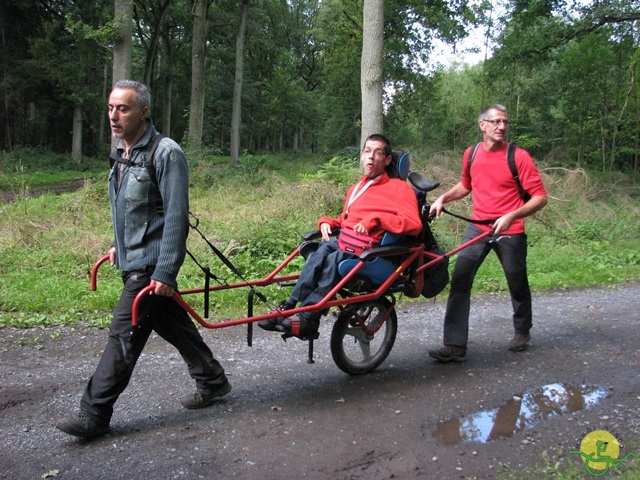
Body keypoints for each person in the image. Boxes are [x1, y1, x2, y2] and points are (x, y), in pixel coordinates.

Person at [56, 80, 230, 439]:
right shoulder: (124, 152)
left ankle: (93, 413)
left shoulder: (165, 153)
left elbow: (176, 217)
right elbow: (131, 210)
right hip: (134, 260)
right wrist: (118, 244)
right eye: (110, 108)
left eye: (123, 108)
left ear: (144, 112)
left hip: (150, 270)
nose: (114, 116)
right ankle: (212, 380)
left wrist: (166, 271)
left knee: (123, 337)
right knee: (172, 324)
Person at [258, 134, 423, 339]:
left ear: (388, 160)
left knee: (334, 258)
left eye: (378, 152)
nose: (371, 157)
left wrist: (378, 218)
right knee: (321, 251)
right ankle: (289, 305)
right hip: (345, 245)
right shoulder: (356, 188)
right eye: (367, 151)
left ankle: (309, 318)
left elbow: (414, 225)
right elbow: (345, 220)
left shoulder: (400, 189)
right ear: (362, 155)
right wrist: (326, 222)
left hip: (370, 254)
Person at [427, 104, 548, 363]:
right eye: (495, 122)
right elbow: (466, 185)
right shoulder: (471, 154)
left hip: (510, 229)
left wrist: (512, 215)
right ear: (482, 125)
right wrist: (443, 199)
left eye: (504, 122)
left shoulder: (519, 156)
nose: (501, 126)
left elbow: (540, 197)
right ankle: (455, 346)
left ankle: (522, 331)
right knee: (460, 281)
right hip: (478, 227)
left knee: (516, 281)